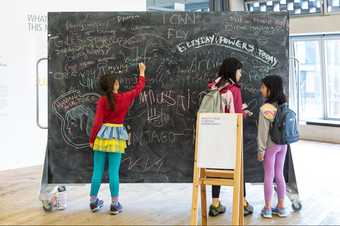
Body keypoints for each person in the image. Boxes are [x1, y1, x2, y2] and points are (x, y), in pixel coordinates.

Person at [88, 63, 145, 214]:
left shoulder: (101, 101)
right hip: (116, 137)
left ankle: (93, 202)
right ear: (115, 84)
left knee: (97, 171)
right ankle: (114, 204)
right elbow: (138, 90)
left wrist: (92, 139)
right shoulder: (124, 98)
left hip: (102, 136)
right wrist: (142, 73)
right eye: (116, 81)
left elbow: (97, 122)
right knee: (114, 172)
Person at [207, 57, 253, 217]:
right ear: (233, 71)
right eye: (239, 71)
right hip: (230, 135)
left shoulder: (214, 86)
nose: (240, 74)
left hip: (213, 134)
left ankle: (215, 204)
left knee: (217, 168)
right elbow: (237, 116)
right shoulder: (234, 90)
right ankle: (243, 203)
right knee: (239, 169)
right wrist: (244, 113)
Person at [257, 75, 289, 218]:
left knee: (269, 176)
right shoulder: (284, 105)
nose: (260, 90)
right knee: (279, 174)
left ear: (271, 89)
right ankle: (281, 206)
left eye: (263, 87)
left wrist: (261, 149)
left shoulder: (266, 108)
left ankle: (268, 207)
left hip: (271, 146)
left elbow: (263, 133)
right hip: (283, 145)